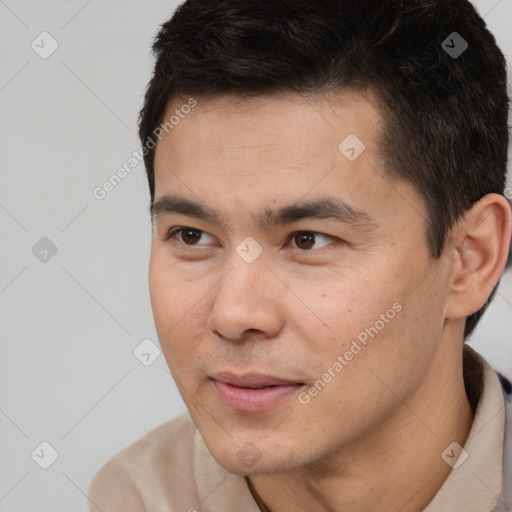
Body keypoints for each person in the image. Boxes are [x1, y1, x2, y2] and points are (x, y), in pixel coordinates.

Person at [87, 0, 512, 510]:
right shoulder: (132, 498)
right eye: (192, 236)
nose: (233, 315)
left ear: (470, 258)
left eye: (307, 239)